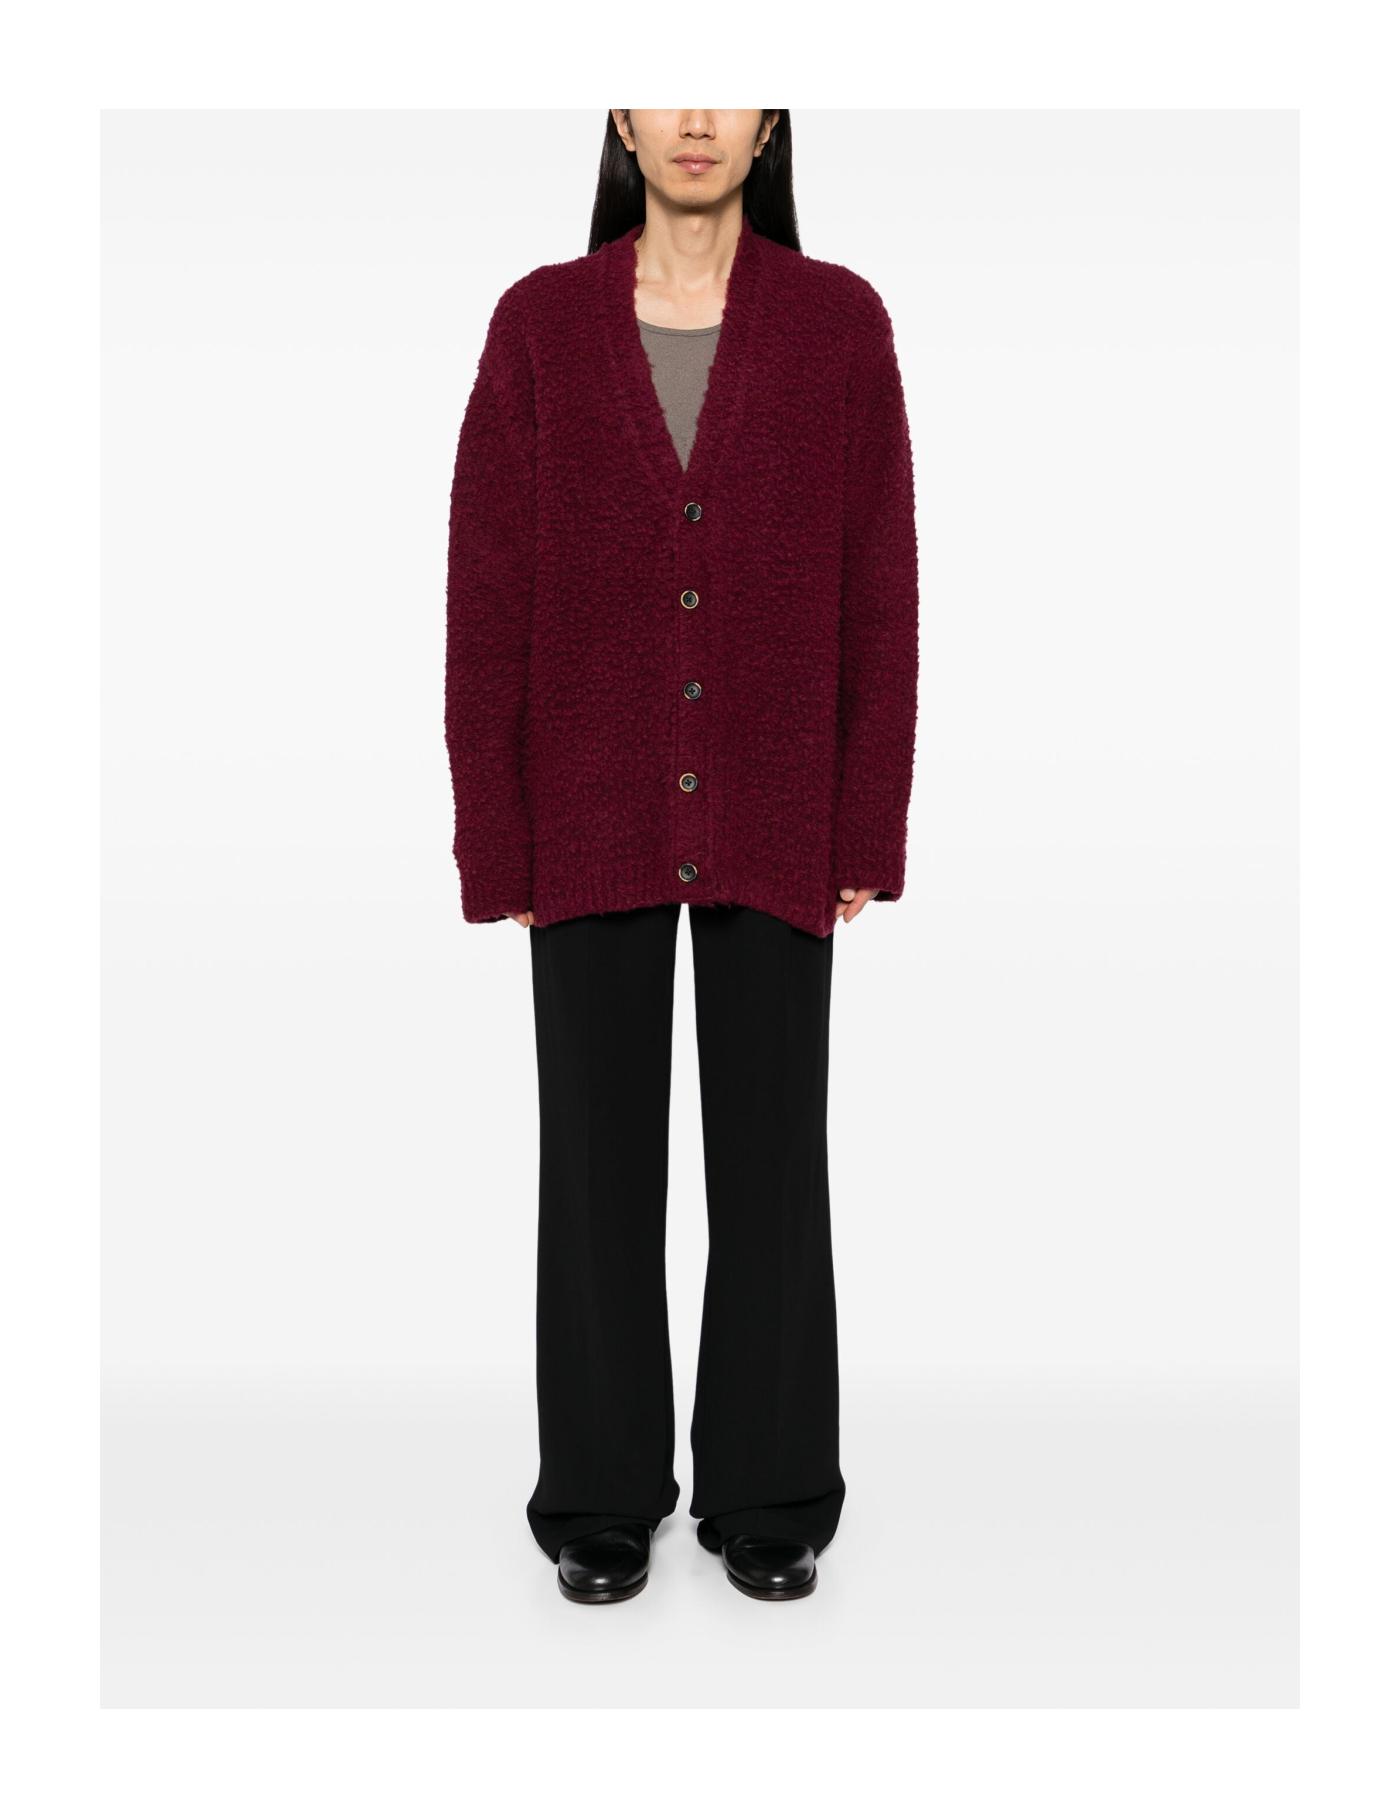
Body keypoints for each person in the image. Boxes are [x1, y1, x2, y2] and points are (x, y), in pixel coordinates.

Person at [444, 109, 919, 1603]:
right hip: (588, 807)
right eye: (664, 82)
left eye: (729, 84)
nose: (697, 118)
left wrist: (866, 816)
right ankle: (599, 1490)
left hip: (776, 804)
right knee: (594, 1164)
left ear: (771, 121)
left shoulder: (839, 325)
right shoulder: (539, 328)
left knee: (774, 1161)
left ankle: (771, 1489)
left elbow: (881, 583)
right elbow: (485, 593)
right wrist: (495, 829)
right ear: (620, 119)